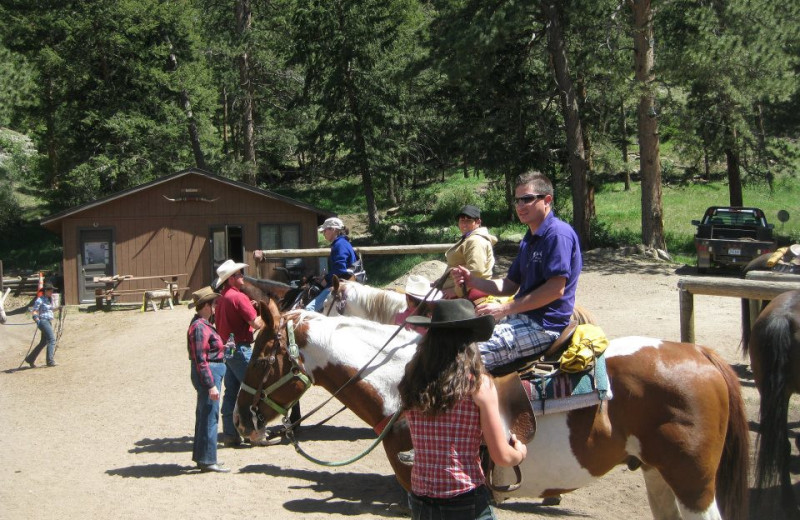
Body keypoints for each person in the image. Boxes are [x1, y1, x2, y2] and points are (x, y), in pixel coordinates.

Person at [398, 299, 527, 519]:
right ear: (469, 341)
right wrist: (519, 453)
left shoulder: (412, 382)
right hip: (464, 499)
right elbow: (502, 456)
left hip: (420, 499)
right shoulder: (477, 385)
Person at [451, 171, 582, 372]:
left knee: (467, 358)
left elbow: (555, 289)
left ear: (547, 200)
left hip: (544, 325)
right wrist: (473, 281)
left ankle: (490, 405)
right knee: (453, 340)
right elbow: (510, 284)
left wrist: (504, 309)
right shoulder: (529, 238)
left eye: (527, 199)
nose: (520, 206)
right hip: (521, 316)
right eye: (517, 200)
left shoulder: (557, 234)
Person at [213, 259, 268, 447]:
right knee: (254, 388)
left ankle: (230, 433)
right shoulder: (238, 297)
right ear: (230, 279)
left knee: (232, 391)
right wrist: (266, 312)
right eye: (237, 275)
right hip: (239, 346)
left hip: (227, 347)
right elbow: (256, 324)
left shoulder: (223, 298)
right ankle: (254, 432)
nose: (241, 277)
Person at [187, 286, 229, 473]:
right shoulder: (199, 327)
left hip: (211, 371)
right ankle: (207, 459)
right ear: (205, 306)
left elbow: (206, 353)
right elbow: (200, 359)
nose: (214, 308)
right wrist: (210, 384)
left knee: (206, 415)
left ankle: (204, 457)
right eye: (212, 304)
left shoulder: (202, 325)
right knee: (210, 416)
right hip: (210, 374)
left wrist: (224, 348)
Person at [441, 205, 498, 301]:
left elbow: (476, 272)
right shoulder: (469, 237)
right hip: (457, 285)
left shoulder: (475, 241)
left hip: (465, 291)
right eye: (461, 220)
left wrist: (455, 292)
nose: (464, 224)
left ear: (478, 222)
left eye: (468, 220)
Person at [305, 217, 359, 312]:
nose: (323, 233)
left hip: (340, 285)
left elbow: (340, 269)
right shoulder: (343, 243)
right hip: (345, 283)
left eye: (324, 230)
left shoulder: (339, 245)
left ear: (333, 229)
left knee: (309, 309)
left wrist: (326, 279)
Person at [25, 283, 59, 367]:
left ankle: (30, 359)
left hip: (47, 321)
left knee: (43, 342)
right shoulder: (40, 300)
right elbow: (34, 311)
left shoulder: (47, 299)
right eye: (50, 290)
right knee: (51, 339)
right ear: (46, 291)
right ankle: (50, 361)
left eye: (52, 290)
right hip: (43, 322)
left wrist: (59, 308)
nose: (52, 292)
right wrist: (37, 320)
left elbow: (50, 310)